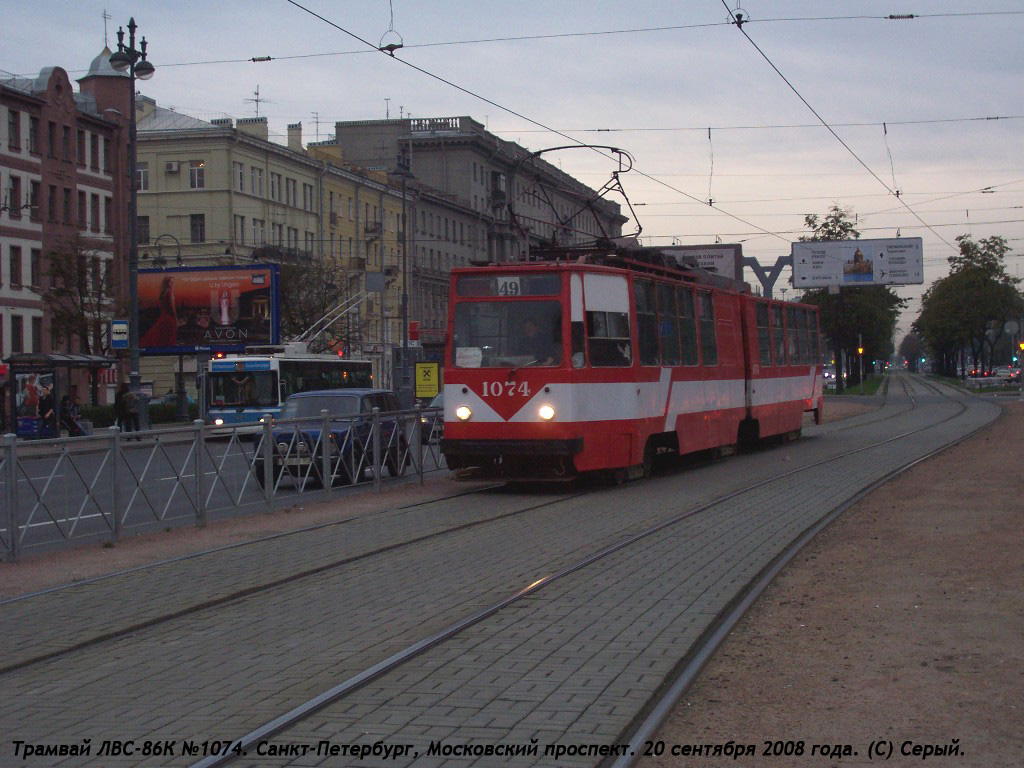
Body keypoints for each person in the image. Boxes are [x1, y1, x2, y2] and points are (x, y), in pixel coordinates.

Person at [139, 275, 178, 348]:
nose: (172, 284)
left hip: (164, 316)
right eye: (170, 282)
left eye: (173, 282)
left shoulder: (163, 293)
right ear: (166, 283)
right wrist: (175, 318)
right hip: (169, 317)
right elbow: (172, 307)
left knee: (160, 333)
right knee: (169, 333)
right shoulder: (169, 292)